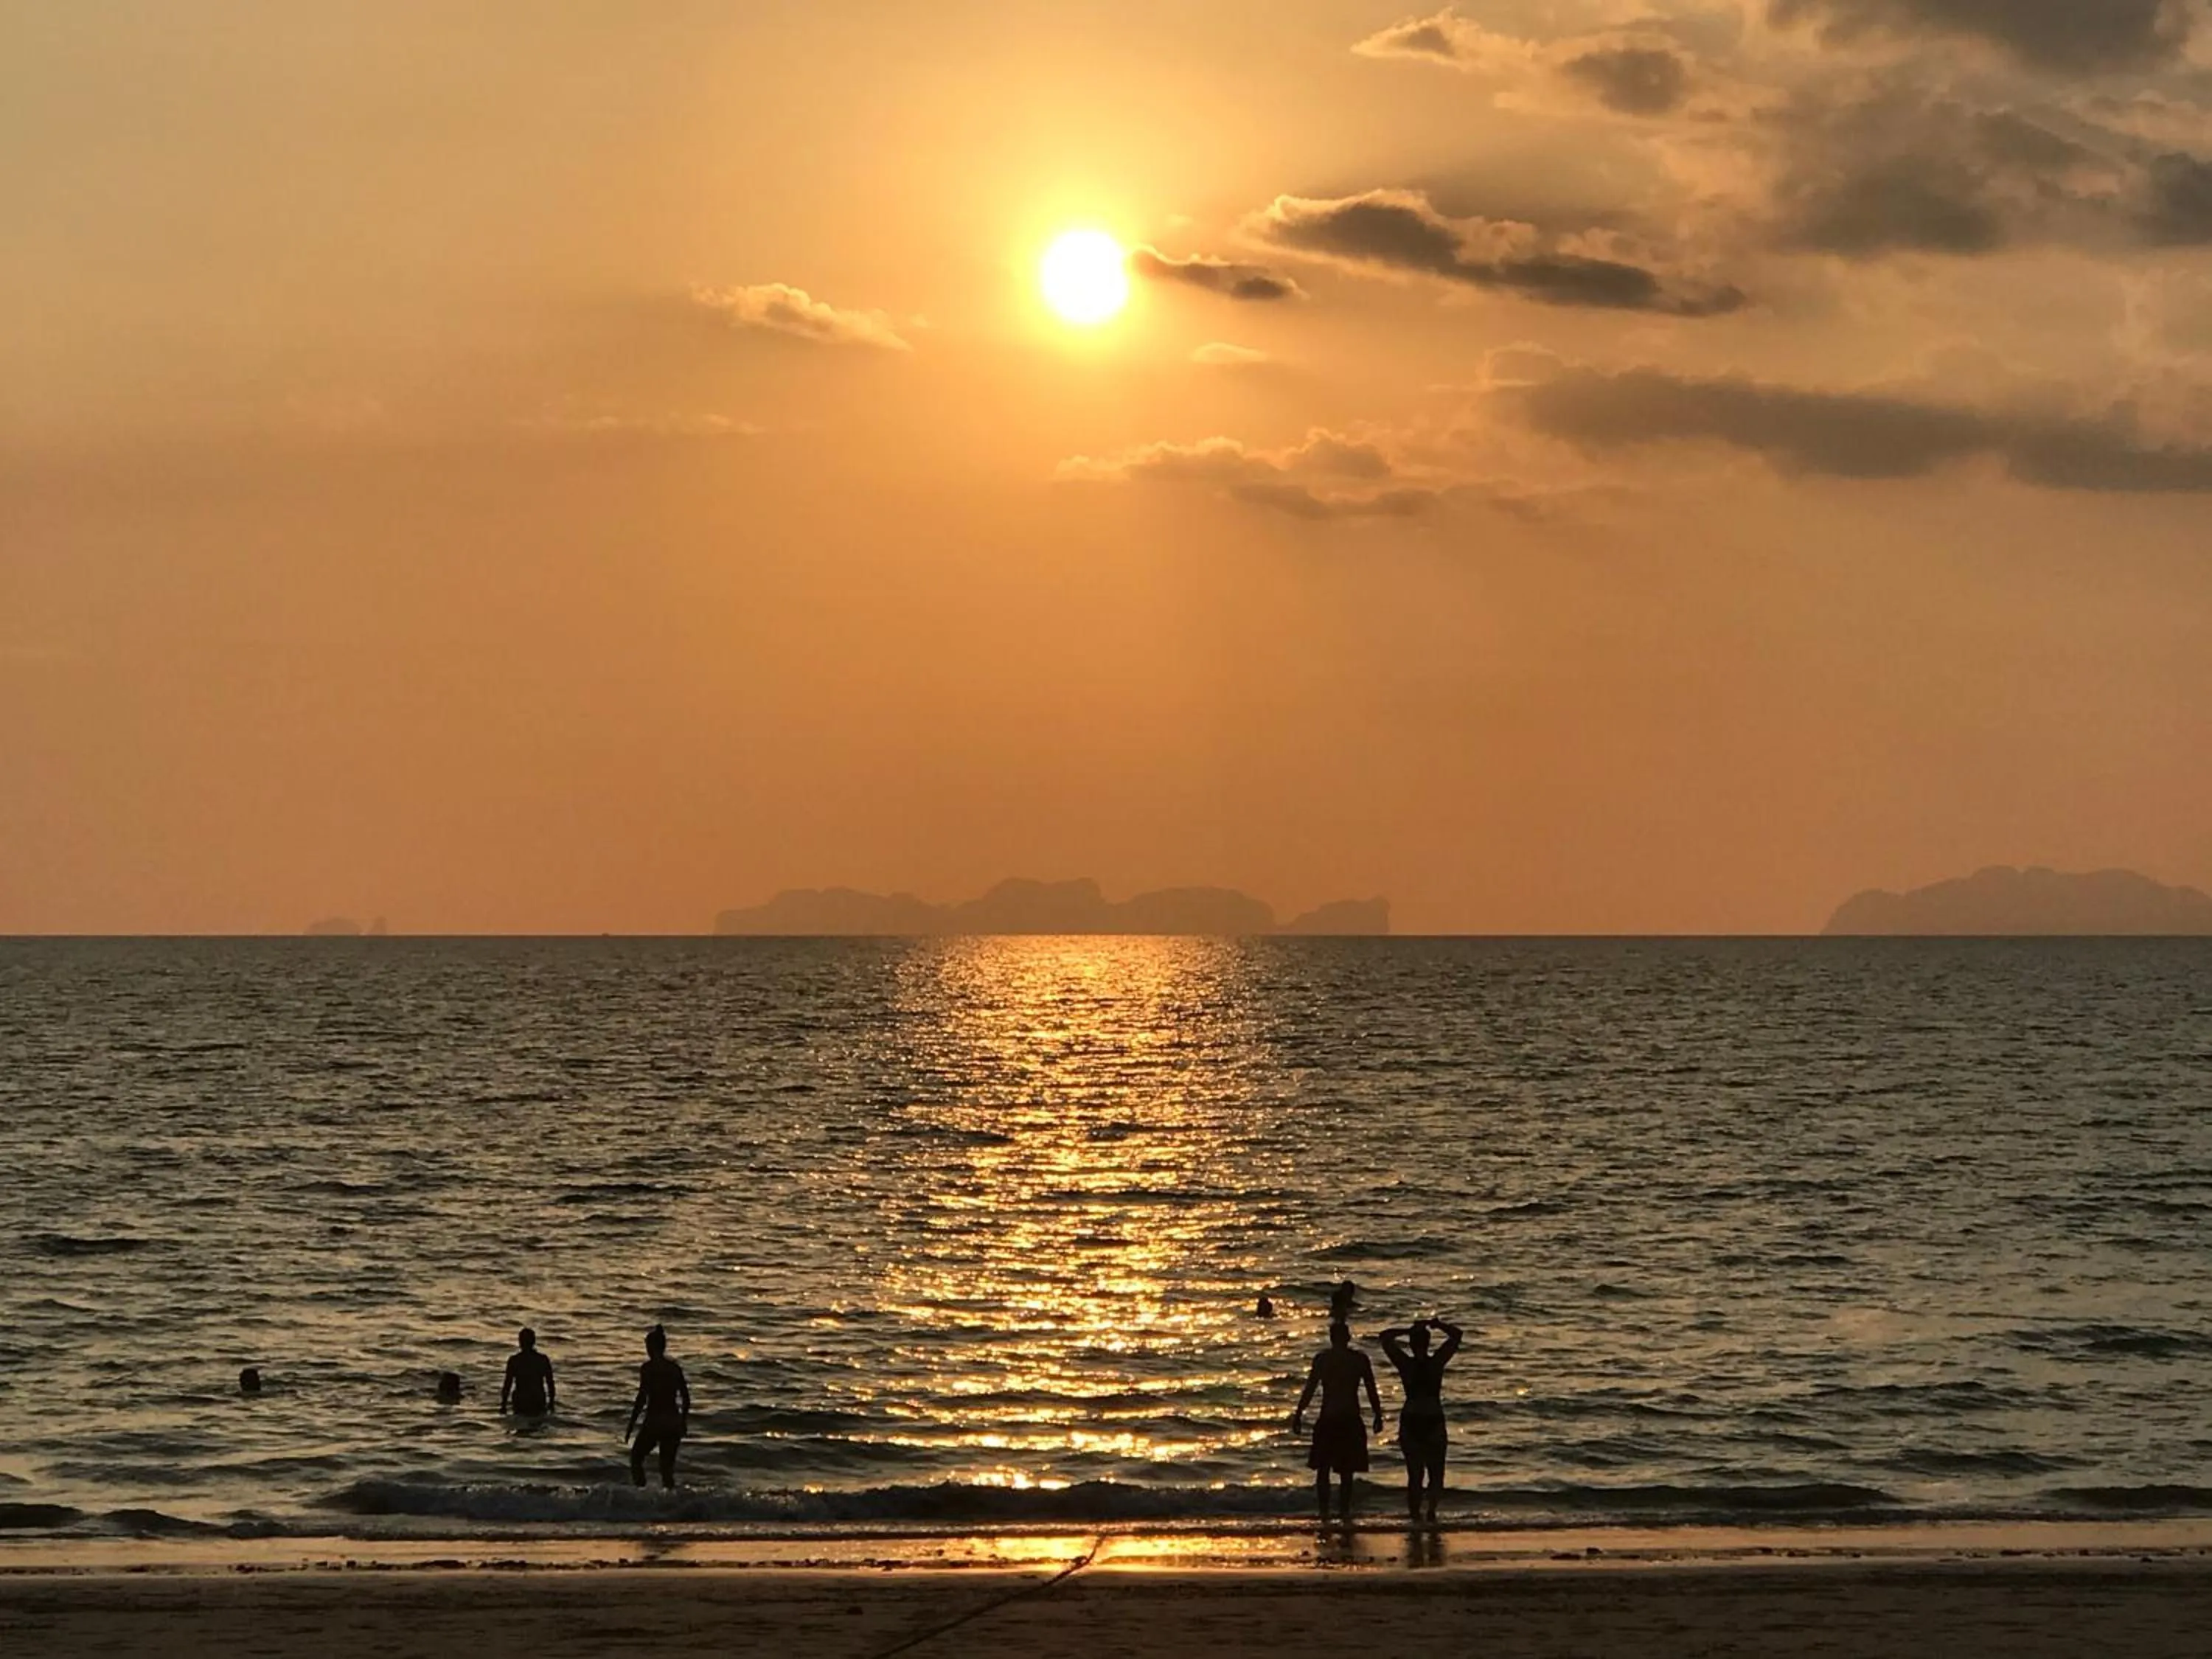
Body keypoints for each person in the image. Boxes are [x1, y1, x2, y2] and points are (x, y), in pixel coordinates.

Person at [1291, 1321, 1382, 1523]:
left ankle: (1325, 1513)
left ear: (1332, 1338)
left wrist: (1299, 1413)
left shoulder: (1323, 1360)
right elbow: (1371, 1390)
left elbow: (1310, 1388)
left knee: (1324, 1470)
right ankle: (1344, 1512)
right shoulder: (1359, 1360)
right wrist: (1378, 1414)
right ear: (1348, 1337)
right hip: (1349, 1418)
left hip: (1329, 1418)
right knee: (1346, 1472)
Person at [1378, 1318, 1463, 1522]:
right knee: (1434, 1474)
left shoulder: (1407, 1364)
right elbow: (1457, 1335)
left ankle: (1417, 1515)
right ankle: (1428, 1513)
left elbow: (1385, 1338)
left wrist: (1407, 1330)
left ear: (1413, 1344)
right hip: (1430, 1419)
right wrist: (1437, 1324)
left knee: (1416, 1476)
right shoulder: (1435, 1362)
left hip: (1414, 1420)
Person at [625, 1324, 691, 1489]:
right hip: (672, 1422)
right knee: (667, 1470)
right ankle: (671, 1504)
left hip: (655, 1422)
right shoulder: (675, 1369)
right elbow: (686, 1398)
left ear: (652, 1347)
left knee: (636, 1458)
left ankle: (640, 1493)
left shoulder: (648, 1369)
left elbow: (642, 1399)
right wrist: (683, 1421)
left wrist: (631, 1425)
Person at [501, 1329, 556, 1418]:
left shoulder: (515, 1360)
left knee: (521, 1427)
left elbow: (508, 1384)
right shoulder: (542, 1360)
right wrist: (551, 1403)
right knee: (538, 1427)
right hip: (537, 1399)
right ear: (534, 1342)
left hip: (521, 1400)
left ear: (520, 1342)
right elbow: (550, 1384)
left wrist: (503, 1405)